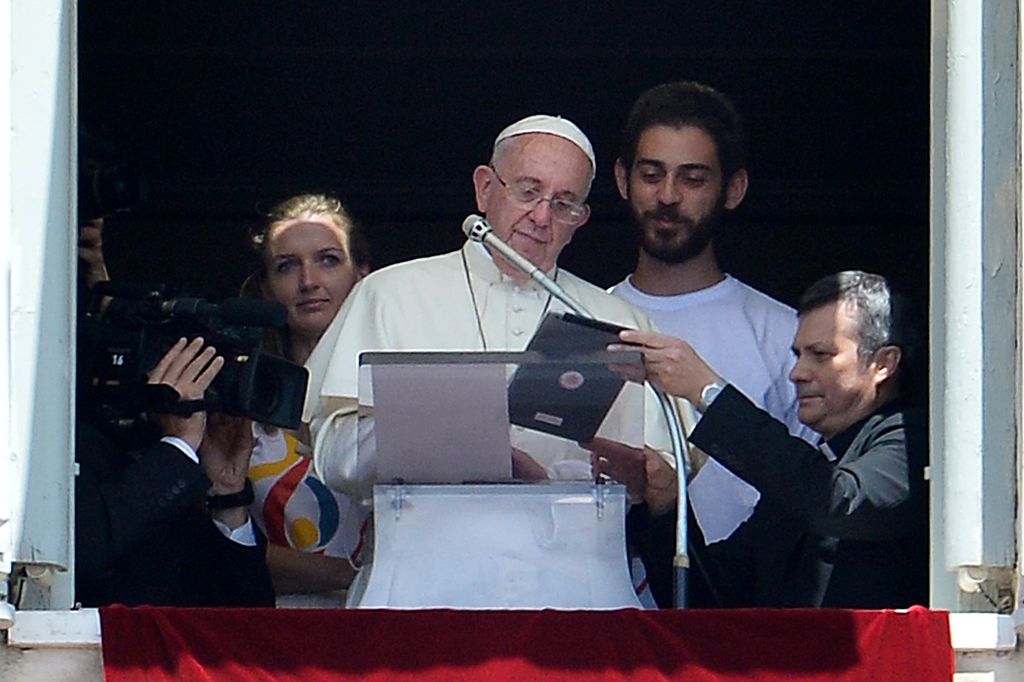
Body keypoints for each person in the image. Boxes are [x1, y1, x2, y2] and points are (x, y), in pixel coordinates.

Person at [303, 115, 680, 603]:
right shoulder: (391, 293)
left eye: (563, 203)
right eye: (528, 191)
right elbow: (335, 455)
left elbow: (665, 479)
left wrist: (651, 478)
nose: (541, 217)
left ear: (581, 219)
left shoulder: (616, 320)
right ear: (485, 188)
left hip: (576, 593)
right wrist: (456, 444)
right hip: (423, 588)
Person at [607, 81, 816, 606]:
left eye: (693, 178)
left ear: (734, 188)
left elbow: (816, 494)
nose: (668, 196)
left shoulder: (786, 335)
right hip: (602, 615)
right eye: (651, 174)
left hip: (743, 619)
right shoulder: (585, 322)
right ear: (622, 179)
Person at [612, 271, 928, 608]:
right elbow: (713, 599)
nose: (797, 373)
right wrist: (665, 503)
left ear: (883, 364)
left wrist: (707, 392)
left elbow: (839, 502)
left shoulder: (915, 440)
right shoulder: (801, 479)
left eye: (820, 355)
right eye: (798, 355)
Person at [75, 337, 275, 607]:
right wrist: (178, 445)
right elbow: (86, 552)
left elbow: (246, 617)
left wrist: (228, 496)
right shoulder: (60, 439)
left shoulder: (178, 467)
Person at [241, 194, 372, 603]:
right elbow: (216, 544)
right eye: (287, 266)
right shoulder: (240, 400)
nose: (309, 281)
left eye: (328, 260)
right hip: (277, 629)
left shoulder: (396, 391)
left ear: (363, 276)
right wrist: (357, 574)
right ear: (266, 289)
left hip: (384, 624)